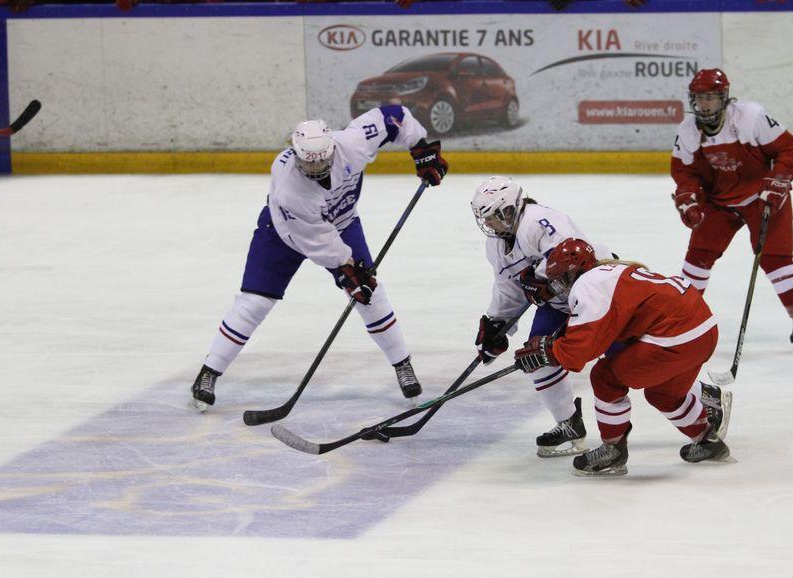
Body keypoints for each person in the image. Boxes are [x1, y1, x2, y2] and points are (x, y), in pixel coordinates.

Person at [190, 105, 448, 411]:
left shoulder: (352, 143)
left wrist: (421, 148)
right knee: (254, 302)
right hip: (283, 234)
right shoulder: (290, 188)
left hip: (342, 224)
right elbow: (319, 241)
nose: (317, 169)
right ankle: (209, 372)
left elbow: (395, 116)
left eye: (323, 161)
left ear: (333, 148)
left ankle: (402, 364)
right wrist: (347, 269)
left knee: (370, 295)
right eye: (308, 164)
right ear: (296, 154)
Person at [513, 238, 733, 477]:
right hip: (703, 330)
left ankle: (613, 450)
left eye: (560, 281)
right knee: (664, 394)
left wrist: (548, 352)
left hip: (676, 336)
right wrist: (554, 346)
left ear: (573, 272)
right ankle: (707, 441)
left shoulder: (588, 284)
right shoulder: (610, 271)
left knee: (605, 377)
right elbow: (600, 332)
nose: (559, 288)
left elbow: (578, 353)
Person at [671, 68, 793, 351]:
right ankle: (681, 320)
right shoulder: (687, 131)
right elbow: (685, 173)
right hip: (719, 204)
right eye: (700, 98)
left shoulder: (750, 117)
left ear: (724, 97)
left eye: (711, 98)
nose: (705, 104)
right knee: (696, 259)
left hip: (762, 198)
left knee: (775, 260)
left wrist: (779, 181)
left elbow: (790, 150)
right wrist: (689, 196)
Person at [470, 176, 613, 458]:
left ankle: (704, 400)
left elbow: (577, 258)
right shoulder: (496, 246)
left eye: (492, 218)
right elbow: (509, 289)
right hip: (561, 305)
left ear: (508, 210)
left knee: (631, 354)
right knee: (536, 355)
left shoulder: (540, 222)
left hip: (598, 294)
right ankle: (568, 422)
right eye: (484, 219)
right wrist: (497, 325)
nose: (488, 225)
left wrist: (546, 282)